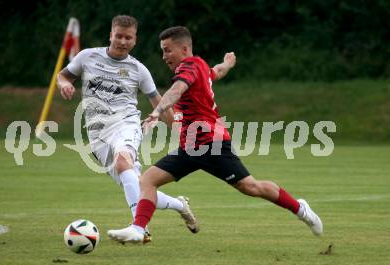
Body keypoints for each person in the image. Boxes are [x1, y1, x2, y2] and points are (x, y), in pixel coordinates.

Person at [108, 26, 323, 243]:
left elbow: (176, 90)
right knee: (148, 180)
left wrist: (157, 112)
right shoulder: (200, 66)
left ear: (184, 48)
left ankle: (300, 208)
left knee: (251, 187)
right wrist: (228, 63)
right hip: (190, 146)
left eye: (167, 50)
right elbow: (216, 72)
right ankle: (138, 229)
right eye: (162, 51)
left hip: (212, 144)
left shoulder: (189, 67)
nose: (164, 56)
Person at [56, 17, 199, 243]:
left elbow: (159, 104)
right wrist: (64, 83)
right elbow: (63, 75)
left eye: (128, 37)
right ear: (110, 35)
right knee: (139, 185)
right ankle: (180, 204)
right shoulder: (87, 56)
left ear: (135, 40)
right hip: (97, 134)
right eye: (119, 36)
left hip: (126, 124)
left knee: (124, 161)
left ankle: (139, 228)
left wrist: (181, 132)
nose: (122, 41)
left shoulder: (138, 70)